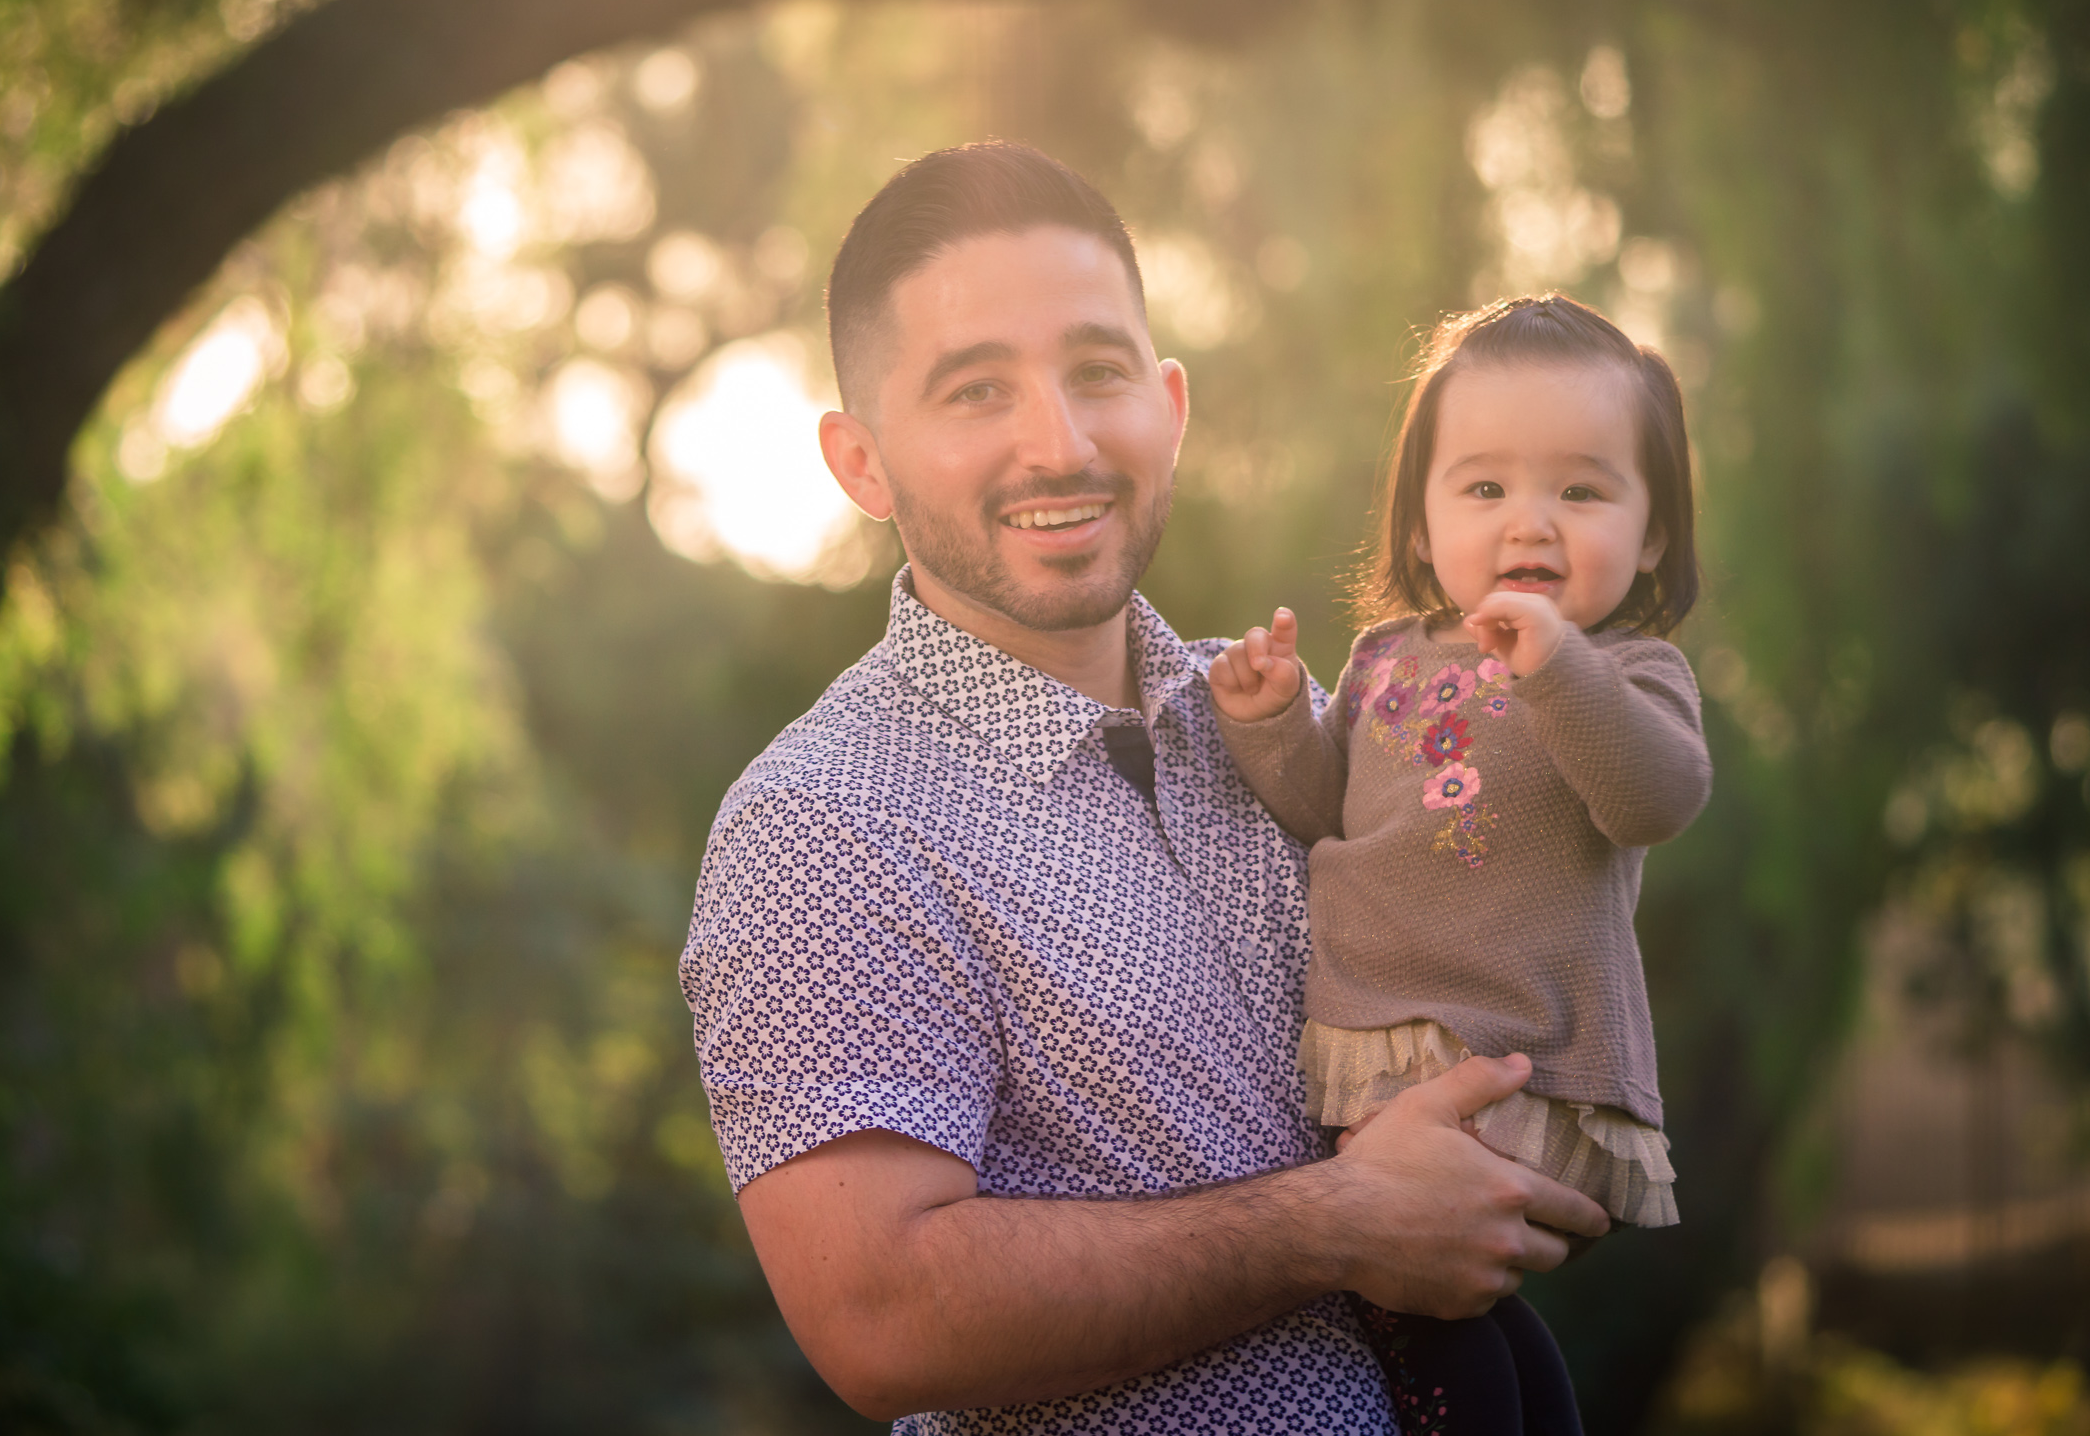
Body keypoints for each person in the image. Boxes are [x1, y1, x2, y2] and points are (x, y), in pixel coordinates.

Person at [677, 142, 1609, 1435]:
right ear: (861, 464)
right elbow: (881, 1318)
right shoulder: (826, 825)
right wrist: (1334, 1226)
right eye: (975, 391)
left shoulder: (1297, 725)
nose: (1058, 444)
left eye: (1098, 372)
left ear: (1169, 402)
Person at [1207, 294, 1711, 1435]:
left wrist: (1560, 668)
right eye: (1485, 488)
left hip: (1514, 1058)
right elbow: (1325, 810)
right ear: (1424, 528)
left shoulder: (1627, 669)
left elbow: (1656, 797)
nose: (1529, 522)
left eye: (1581, 490)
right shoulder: (1387, 656)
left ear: (1654, 533)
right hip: (1382, 1042)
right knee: (1443, 1321)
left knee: (1420, 1312)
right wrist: (1274, 721)